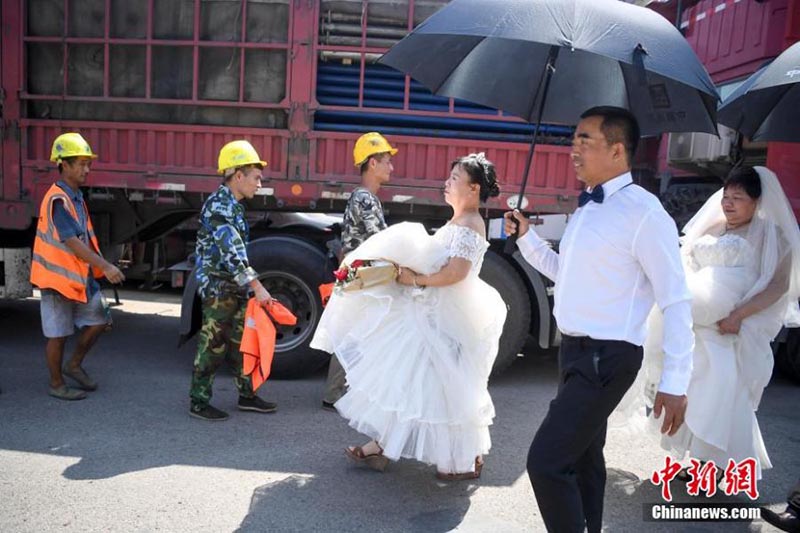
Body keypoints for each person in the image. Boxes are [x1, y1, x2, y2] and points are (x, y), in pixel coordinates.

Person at [504, 107, 694, 533]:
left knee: (547, 462)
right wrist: (526, 238)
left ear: (617, 149)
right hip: (574, 351)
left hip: (607, 357)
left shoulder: (645, 213)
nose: (573, 150)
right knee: (585, 458)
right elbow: (565, 271)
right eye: (574, 140)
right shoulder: (589, 207)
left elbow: (676, 299)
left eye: (584, 140)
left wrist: (676, 381)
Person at [311, 153, 506, 479]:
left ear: (473, 189)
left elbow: (456, 272)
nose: (447, 182)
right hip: (429, 311)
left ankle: (462, 459)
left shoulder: (472, 223)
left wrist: (414, 278)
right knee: (406, 381)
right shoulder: (457, 221)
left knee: (446, 389)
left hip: (448, 318)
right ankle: (383, 446)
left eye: (455, 178)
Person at [639, 166, 800, 481]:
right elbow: (684, 258)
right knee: (690, 392)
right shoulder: (713, 225)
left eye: (738, 198)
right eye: (726, 196)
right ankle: (697, 463)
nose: (728, 204)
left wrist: (738, 316)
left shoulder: (772, 235)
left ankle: (711, 469)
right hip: (696, 327)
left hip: (731, 329)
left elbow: (778, 286)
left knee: (720, 395)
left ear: (757, 202)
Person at [30, 133, 126, 401]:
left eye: (88, 163)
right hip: (56, 281)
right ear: (64, 165)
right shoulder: (58, 199)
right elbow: (72, 242)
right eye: (81, 163)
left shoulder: (76, 197)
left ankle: (73, 365)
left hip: (78, 279)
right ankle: (56, 383)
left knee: (100, 320)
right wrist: (105, 266)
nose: (86, 169)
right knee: (58, 335)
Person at [189, 140, 277, 421]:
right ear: (238, 176)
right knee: (213, 345)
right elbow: (232, 252)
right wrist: (257, 287)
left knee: (242, 343)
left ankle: (247, 396)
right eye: (256, 177)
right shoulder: (220, 207)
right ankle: (198, 402)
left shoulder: (232, 205)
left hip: (232, 286)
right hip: (218, 287)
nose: (259, 184)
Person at [321, 132, 396, 411]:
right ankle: (336, 392)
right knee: (355, 331)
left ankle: (340, 390)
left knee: (355, 330)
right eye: (387, 161)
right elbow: (380, 239)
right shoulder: (365, 198)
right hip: (362, 275)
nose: (391, 167)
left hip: (357, 272)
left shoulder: (364, 197)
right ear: (372, 163)